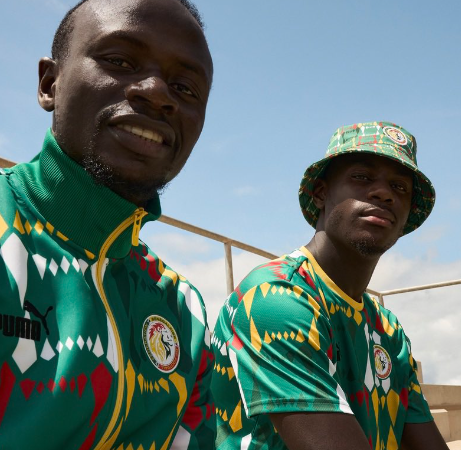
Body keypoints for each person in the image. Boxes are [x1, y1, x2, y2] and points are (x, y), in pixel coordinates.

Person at [0, 0, 215, 449]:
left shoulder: (184, 313)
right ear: (49, 83)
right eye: (119, 61)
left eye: (185, 87)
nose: (158, 93)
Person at [212, 121, 449, 450]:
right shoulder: (275, 298)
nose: (384, 193)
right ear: (321, 193)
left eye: (400, 188)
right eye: (362, 177)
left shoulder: (389, 330)